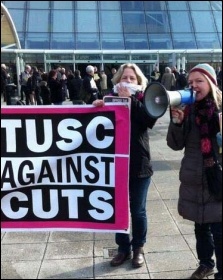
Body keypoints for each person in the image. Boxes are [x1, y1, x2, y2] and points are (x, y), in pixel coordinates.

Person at [92, 63, 157, 268]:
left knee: (138, 210)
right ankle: (123, 249)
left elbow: (149, 121)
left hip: (139, 163)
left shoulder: (144, 99)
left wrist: (129, 100)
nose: (127, 81)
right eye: (124, 77)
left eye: (132, 78)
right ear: (118, 79)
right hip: (115, 162)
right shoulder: (108, 97)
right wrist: (96, 109)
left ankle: (138, 248)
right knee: (119, 208)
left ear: (139, 81)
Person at [166, 63, 222, 280]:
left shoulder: (219, 110)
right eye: (190, 82)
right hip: (194, 179)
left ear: (210, 83)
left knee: (219, 231)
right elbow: (174, 145)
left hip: (216, 178)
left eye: (199, 81)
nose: (194, 86)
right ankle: (205, 264)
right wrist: (176, 123)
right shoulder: (187, 111)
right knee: (201, 228)